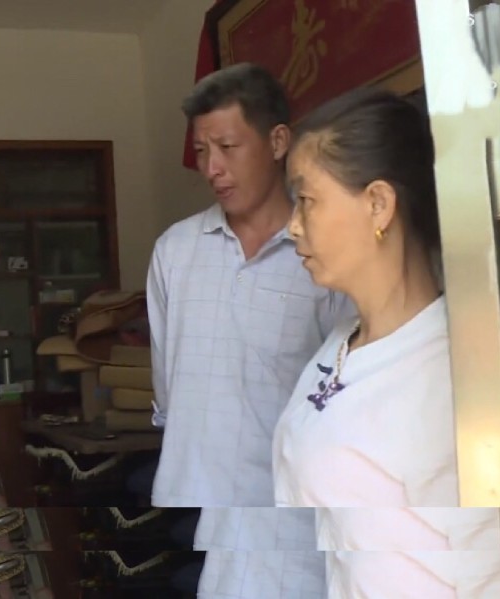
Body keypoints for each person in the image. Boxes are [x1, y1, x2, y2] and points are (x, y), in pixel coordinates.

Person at [273, 86, 500, 596]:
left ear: (378, 204)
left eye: (306, 201)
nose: (292, 227)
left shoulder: (457, 369)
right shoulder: (342, 343)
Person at [146, 62, 352, 597]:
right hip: (209, 510)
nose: (212, 168)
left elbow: (349, 395)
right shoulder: (175, 251)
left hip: (302, 512)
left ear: (278, 141)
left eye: (228, 147)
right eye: (200, 151)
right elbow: (168, 391)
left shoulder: (325, 253)